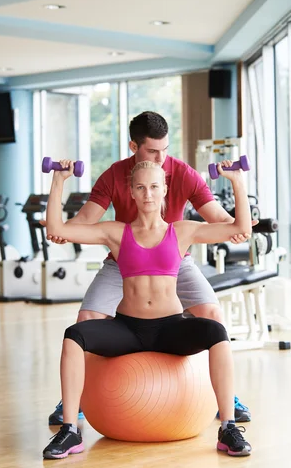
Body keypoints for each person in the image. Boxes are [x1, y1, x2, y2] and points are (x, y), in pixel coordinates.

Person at [45, 112, 252, 425]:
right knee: (87, 319)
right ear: (133, 147)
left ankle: (227, 399)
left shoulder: (182, 173)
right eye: (153, 151)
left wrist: (237, 225)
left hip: (173, 257)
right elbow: (86, 220)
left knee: (212, 315)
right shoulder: (114, 176)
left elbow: (219, 219)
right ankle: (78, 398)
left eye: (165, 149)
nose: (162, 157)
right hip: (123, 259)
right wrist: (62, 228)